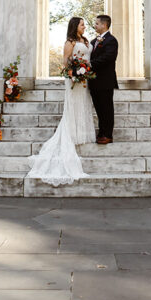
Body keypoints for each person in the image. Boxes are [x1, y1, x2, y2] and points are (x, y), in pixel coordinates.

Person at [26, 16, 95, 185]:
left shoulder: (85, 40)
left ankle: (82, 133)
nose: (84, 26)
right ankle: (72, 133)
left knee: (84, 104)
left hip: (85, 78)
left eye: (84, 24)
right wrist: (74, 75)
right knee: (74, 105)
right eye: (82, 24)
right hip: (74, 79)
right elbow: (66, 62)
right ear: (75, 26)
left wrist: (85, 72)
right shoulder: (70, 42)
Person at [89, 14, 118, 144]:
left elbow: (108, 58)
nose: (95, 25)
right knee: (99, 109)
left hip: (105, 81)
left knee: (107, 109)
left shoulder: (111, 40)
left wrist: (90, 64)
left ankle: (108, 135)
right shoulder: (94, 41)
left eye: (96, 23)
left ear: (104, 25)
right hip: (94, 81)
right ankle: (101, 132)